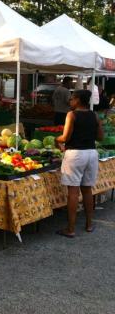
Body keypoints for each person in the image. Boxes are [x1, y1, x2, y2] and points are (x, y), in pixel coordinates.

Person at [55, 89, 103, 238]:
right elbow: (100, 137)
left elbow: (66, 136)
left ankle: (71, 229)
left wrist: (57, 139)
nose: (70, 101)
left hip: (75, 154)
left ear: (78, 100)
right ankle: (89, 224)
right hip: (91, 154)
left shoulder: (72, 114)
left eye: (72, 99)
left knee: (73, 192)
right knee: (87, 190)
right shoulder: (94, 115)